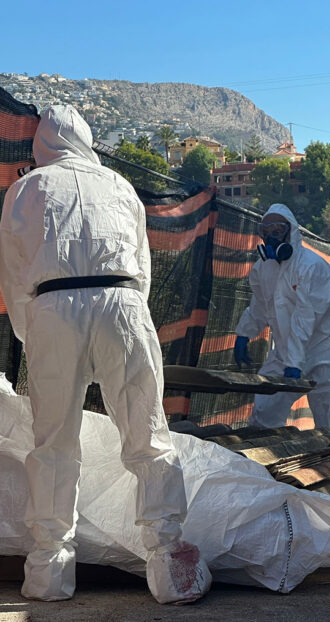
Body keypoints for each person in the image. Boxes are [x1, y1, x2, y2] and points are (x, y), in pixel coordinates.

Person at [0, 105, 211, 604]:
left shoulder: (26, 189)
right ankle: (167, 562)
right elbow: (142, 261)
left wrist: (36, 335)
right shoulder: (119, 185)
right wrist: (130, 317)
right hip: (122, 302)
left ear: (42, 146)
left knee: (53, 444)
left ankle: (48, 575)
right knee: (148, 433)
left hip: (53, 304)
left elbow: (13, 270)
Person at [234, 204, 330, 431]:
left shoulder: (312, 266)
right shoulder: (262, 268)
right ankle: (265, 461)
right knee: (264, 412)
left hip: (325, 351)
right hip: (286, 352)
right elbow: (259, 305)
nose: (270, 237)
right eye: (265, 231)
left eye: (277, 230)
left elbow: (306, 317)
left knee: (328, 423)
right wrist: (244, 333)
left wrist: (295, 362)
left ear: (291, 232)